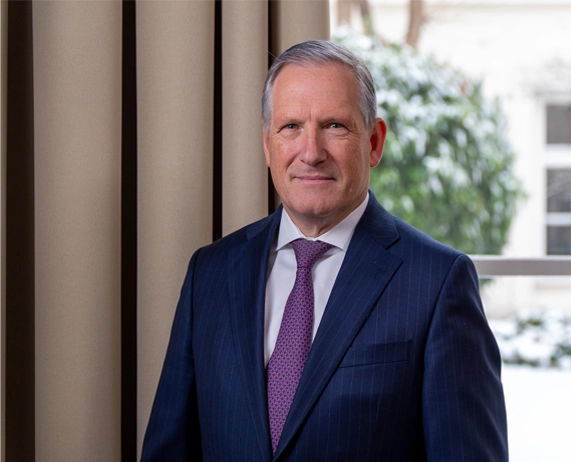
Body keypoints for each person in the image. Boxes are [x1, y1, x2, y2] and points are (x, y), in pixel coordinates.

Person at [141, 40, 508, 461]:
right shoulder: (210, 273)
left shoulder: (437, 283)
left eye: (334, 126)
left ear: (374, 142)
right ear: (267, 144)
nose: (311, 153)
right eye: (291, 127)